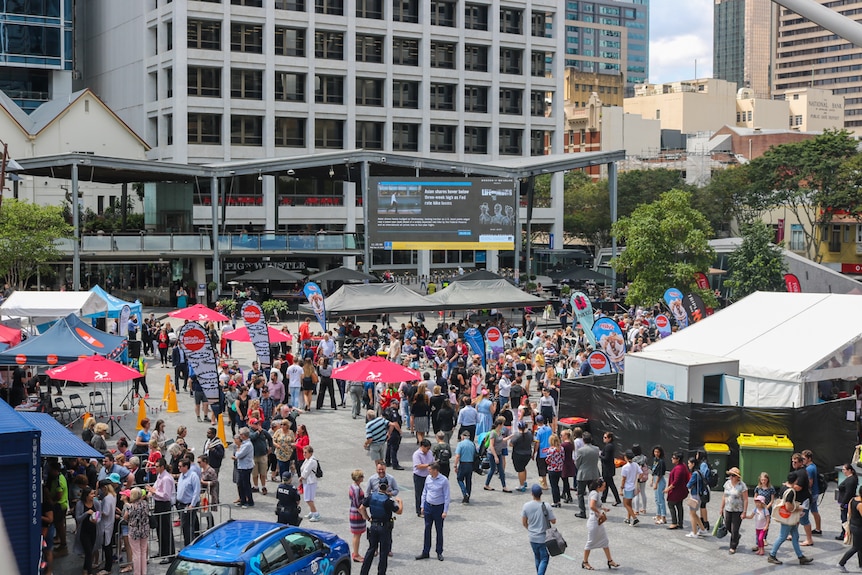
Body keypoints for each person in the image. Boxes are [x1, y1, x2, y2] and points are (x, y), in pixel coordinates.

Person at [359, 478, 403, 575]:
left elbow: (362, 508)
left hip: (373, 525)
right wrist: (400, 502)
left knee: (371, 550)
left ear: (378, 486)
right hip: (384, 528)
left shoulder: (371, 496)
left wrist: (368, 518)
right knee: (383, 553)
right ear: (387, 487)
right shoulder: (388, 501)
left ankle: (363, 572)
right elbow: (399, 511)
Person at [767, 473, 813, 565]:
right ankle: (772, 555)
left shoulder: (783, 487)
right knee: (782, 536)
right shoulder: (791, 491)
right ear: (795, 481)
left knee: (795, 537)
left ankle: (800, 556)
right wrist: (798, 508)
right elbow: (788, 507)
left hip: (788, 517)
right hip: (788, 517)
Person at [583, 478, 619, 570]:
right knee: (590, 542)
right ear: (599, 487)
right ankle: (585, 562)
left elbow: (597, 504)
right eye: (603, 486)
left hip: (596, 521)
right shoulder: (595, 494)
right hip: (594, 521)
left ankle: (610, 560)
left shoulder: (594, 493)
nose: (604, 488)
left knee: (604, 540)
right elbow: (592, 506)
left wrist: (603, 508)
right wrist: (599, 513)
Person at [417, 462, 450, 561]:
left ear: (435, 470)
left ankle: (439, 551)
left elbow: (447, 496)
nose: (428, 471)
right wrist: (422, 506)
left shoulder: (444, 480)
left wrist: (445, 511)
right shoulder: (428, 478)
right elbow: (424, 492)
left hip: (439, 508)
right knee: (427, 529)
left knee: (439, 530)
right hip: (428, 506)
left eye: (430, 469)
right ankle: (425, 551)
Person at [520, 483, 555, 575]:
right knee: (544, 558)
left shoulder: (526, 506)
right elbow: (553, 521)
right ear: (541, 493)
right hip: (543, 538)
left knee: (537, 557)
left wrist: (530, 529)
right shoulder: (546, 506)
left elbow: (524, 522)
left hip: (532, 537)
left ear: (532, 494)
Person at [146, 458, 175, 563]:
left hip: (164, 504)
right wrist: (151, 491)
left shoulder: (166, 478)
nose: (155, 468)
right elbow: (155, 487)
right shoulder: (159, 476)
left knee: (166, 530)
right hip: (158, 504)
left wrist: (154, 491)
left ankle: (170, 554)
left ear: (162, 467)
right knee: (160, 529)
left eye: (157, 466)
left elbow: (166, 495)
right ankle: (162, 551)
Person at [720, 466, 748, 554]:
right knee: (727, 526)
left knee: (735, 529)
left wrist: (744, 512)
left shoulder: (742, 485)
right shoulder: (727, 483)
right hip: (728, 508)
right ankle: (736, 537)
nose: (731, 477)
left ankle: (733, 546)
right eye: (730, 475)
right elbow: (724, 496)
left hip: (738, 510)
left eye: (733, 475)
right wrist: (721, 507)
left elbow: (746, 499)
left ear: (737, 477)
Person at [73, 487, 100, 575]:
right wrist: (86, 513)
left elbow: (99, 515)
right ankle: (89, 572)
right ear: (86, 495)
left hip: (93, 530)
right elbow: (78, 518)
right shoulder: (80, 504)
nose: (93, 496)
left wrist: (96, 520)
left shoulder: (96, 502)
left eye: (94, 494)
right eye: (91, 494)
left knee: (90, 551)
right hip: (84, 531)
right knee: (88, 552)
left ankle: (85, 569)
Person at [123, 488, 150, 575]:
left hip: (134, 531)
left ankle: (137, 573)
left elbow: (125, 517)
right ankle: (143, 572)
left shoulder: (130, 506)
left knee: (136, 553)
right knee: (143, 552)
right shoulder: (145, 504)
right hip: (145, 530)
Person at [575, 432, 601, 519]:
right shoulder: (596, 449)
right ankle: (594, 509)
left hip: (583, 473)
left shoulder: (581, 450)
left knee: (580, 493)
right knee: (593, 493)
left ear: (583, 440)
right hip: (593, 473)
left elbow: (577, 463)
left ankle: (582, 511)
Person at [176, 458, 201, 546]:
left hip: (189, 504)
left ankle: (189, 545)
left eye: (180, 466)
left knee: (188, 527)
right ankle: (187, 543)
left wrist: (192, 505)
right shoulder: (181, 475)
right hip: (181, 504)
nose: (178, 468)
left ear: (186, 467)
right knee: (184, 526)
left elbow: (196, 491)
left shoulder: (193, 476)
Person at [838, 482, 862, 572]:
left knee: (860, 547)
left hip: (853, 525)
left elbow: (849, 513)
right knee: (856, 547)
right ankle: (841, 563)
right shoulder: (860, 504)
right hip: (859, 527)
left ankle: (861, 565)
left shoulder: (853, 500)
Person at [664, 451, 689, 530]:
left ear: (678, 459)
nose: (672, 459)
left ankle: (674, 522)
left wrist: (668, 488)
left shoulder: (679, 468)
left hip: (677, 491)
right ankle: (680, 523)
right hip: (682, 490)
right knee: (679, 505)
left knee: (671, 504)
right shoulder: (683, 466)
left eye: (674, 458)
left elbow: (676, 481)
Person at [685, 456, 708, 538]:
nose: (688, 465)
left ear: (693, 464)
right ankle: (702, 529)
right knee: (694, 514)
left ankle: (694, 532)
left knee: (692, 514)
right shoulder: (699, 472)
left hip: (694, 496)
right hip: (699, 495)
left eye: (689, 463)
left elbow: (689, 484)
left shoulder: (695, 474)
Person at [453, 430, 477, 504]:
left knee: (460, 479)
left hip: (463, 463)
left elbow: (457, 456)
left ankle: (465, 492)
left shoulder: (460, 444)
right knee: (468, 480)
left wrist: (455, 465)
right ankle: (467, 497)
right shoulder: (472, 444)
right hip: (470, 464)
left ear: (463, 436)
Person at [233, 428, 255, 509]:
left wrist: (237, 451)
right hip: (241, 466)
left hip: (246, 467)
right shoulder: (243, 444)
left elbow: (238, 455)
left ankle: (249, 501)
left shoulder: (247, 445)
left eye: (241, 434)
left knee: (246, 485)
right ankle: (242, 500)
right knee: (240, 484)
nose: (240, 436)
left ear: (244, 435)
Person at [412, 439, 435, 515]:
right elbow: (418, 466)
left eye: (429, 448)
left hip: (428, 476)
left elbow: (433, 461)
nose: (428, 450)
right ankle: (419, 511)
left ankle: (427, 509)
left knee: (428, 493)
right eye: (427, 448)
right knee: (419, 493)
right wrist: (429, 465)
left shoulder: (430, 453)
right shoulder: (417, 454)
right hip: (419, 476)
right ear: (422, 446)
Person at [348, 469, 366, 562]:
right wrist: (364, 514)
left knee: (356, 535)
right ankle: (356, 554)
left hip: (353, 511)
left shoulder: (353, 486)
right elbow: (357, 504)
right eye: (362, 476)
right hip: (357, 513)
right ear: (359, 478)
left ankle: (355, 553)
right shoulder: (356, 489)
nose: (363, 477)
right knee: (357, 535)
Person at [599, 432, 621, 506]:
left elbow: (606, 458)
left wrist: (600, 455)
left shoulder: (609, 447)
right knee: (607, 483)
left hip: (607, 468)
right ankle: (603, 497)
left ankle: (617, 499)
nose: (603, 439)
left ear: (609, 438)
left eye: (605, 437)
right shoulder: (609, 446)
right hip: (608, 468)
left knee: (610, 484)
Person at [838, 463, 859, 542]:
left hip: (846, 503)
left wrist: (843, 504)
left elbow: (848, 493)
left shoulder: (850, 480)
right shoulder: (852, 479)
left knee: (845, 519)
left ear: (849, 470)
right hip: (846, 502)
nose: (843, 471)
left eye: (844, 469)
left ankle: (845, 534)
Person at [299, 445, 321, 521]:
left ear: (310, 453)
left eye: (305, 452)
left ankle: (316, 513)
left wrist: (301, 478)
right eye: (303, 452)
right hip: (308, 481)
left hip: (310, 482)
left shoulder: (311, 461)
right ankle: (312, 512)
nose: (304, 454)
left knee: (308, 499)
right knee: (309, 498)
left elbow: (306, 471)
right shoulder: (308, 459)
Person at [619, 450, 640, 525]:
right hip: (633, 486)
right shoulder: (636, 465)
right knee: (629, 503)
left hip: (627, 487)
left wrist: (621, 489)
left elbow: (623, 479)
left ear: (626, 457)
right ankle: (628, 518)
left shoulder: (625, 467)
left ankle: (634, 518)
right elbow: (640, 473)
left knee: (625, 504)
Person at [651, 445, 667, 525]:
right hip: (655, 479)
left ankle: (663, 517)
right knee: (657, 499)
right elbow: (653, 471)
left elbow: (660, 474)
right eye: (655, 452)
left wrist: (656, 483)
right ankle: (658, 515)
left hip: (659, 481)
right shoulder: (655, 460)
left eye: (658, 452)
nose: (656, 453)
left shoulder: (661, 461)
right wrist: (652, 481)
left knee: (660, 499)